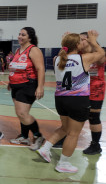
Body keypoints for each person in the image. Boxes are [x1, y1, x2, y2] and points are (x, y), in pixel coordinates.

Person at [36, 31, 104, 173]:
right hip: (77, 100)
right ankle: (63, 164)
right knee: (73, 134)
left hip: (60, 99)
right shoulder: (84, 59)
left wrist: (66, 42)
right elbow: (101, 54)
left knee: (65, 128)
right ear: (78, 45)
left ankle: (45, 148)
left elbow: (65, 54)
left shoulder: (56, 59)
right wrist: (93, 40)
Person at [8, 27, 45, 151]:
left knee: (22, 113)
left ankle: (38, 135)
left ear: (30, 37)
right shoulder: (18, 50)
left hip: (28, 85)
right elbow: (15, 67)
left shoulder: (33, 50)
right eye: (19, 34)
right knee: (21, 114)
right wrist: (10, 81)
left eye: (23, 35)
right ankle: (24, 136)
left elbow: (40, 69)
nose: (20, 36)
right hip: (16, 85)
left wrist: (40, 87)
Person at [80, 32, 106, 155]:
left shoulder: (98, 52)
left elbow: (102, 59)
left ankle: (96, 145)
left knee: (94, 117)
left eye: (82, 39)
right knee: (75, 115)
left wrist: (93, 41)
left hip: (96, 89)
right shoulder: (79, 54)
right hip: (80, 89)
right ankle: (65, 138)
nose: (79, 42)